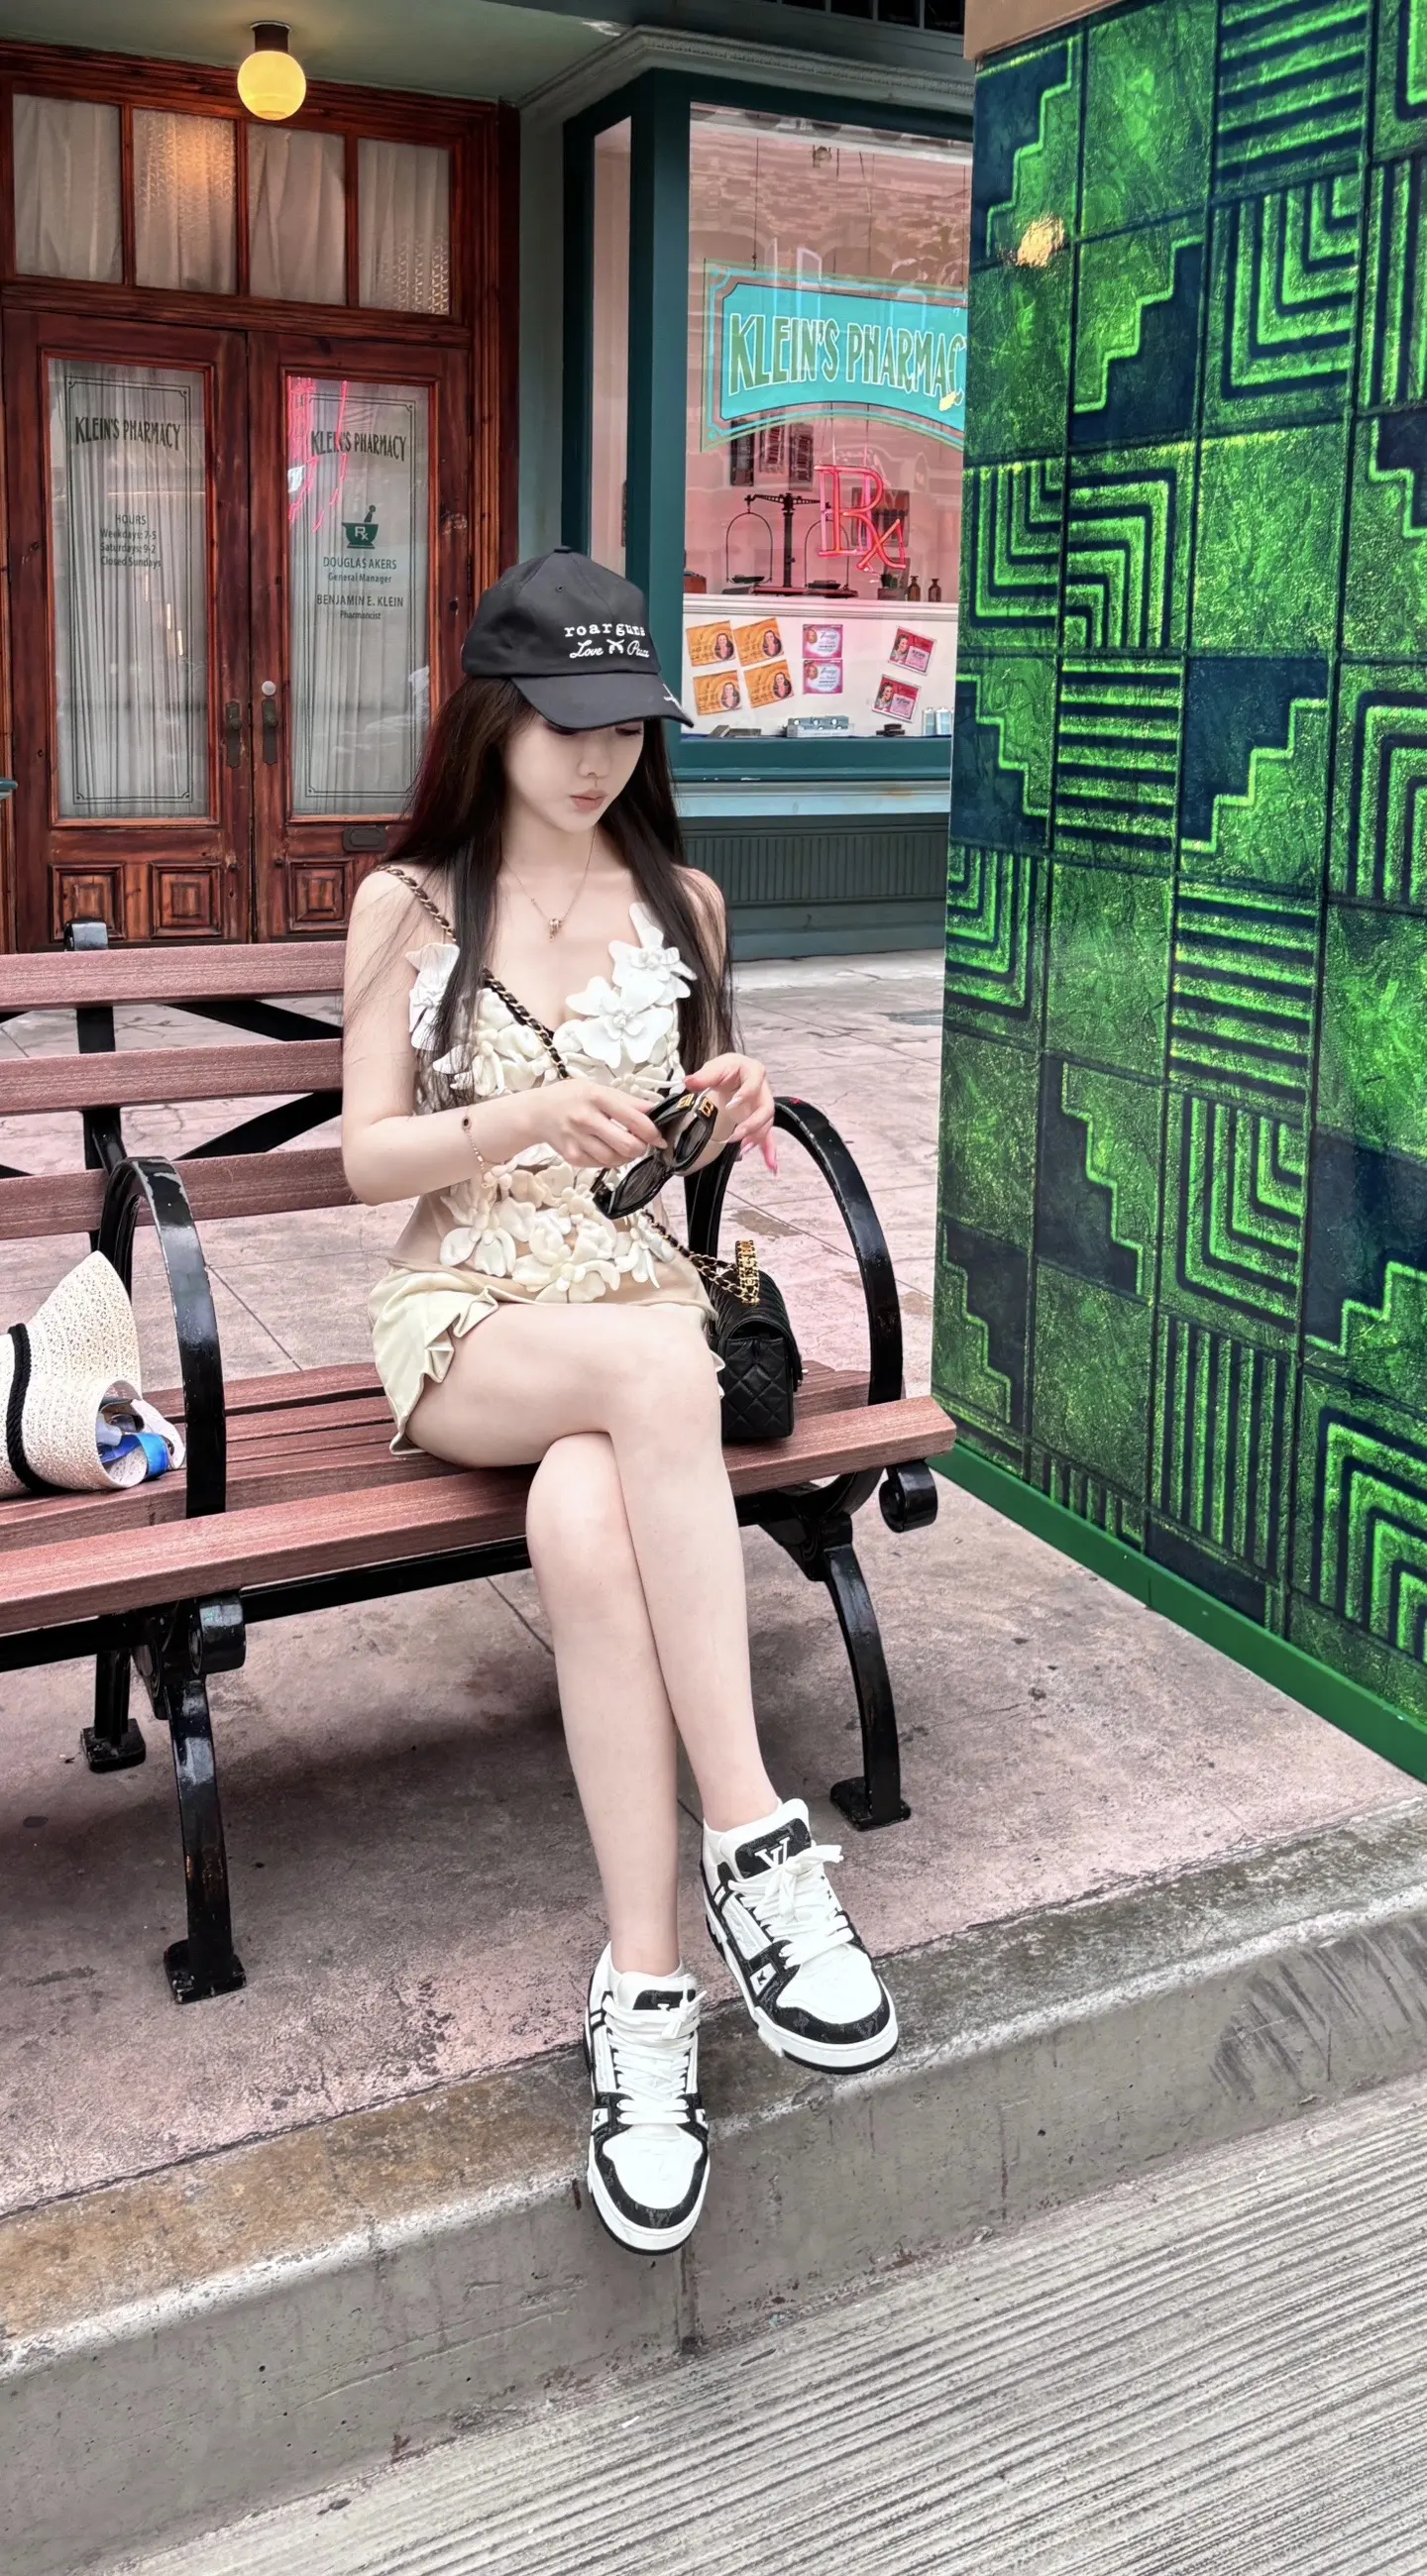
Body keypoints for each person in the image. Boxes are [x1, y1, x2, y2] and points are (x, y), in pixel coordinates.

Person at [342, 550, 898, 2259]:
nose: (597, 758)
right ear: (494, 717)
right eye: (564, 723)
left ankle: (646, 2001)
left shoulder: (689, 903)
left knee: (588, 1524)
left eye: (625, 726)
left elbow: (676, 1138)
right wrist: (524, 1117)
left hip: (632, 1309)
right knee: (657, 1373)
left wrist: (730, 1098)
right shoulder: (412, 904)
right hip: (473, 1318)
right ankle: (754, 1840)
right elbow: (367, 1161)